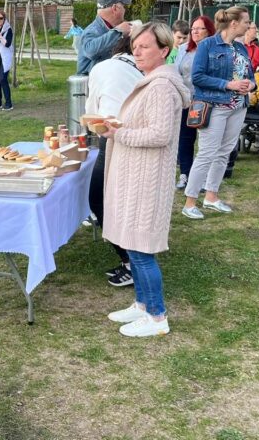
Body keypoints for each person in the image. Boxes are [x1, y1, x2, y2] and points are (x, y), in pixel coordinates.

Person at [102, 22, 190, 337]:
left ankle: (157, 316)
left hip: (146, 180)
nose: (137, 51)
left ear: (164, 50)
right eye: (135, 46)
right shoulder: (151, 81)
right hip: (135, 176)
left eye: (145, 47)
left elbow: (160, 134)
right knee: (132, 243)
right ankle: (141, 304)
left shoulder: (163, 86)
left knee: (140, 250)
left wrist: (118, 132)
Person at [182, 6, 255, 220]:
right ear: (234, 23)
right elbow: (197, 77)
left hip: (238, 106)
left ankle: (212, 196)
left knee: (225, 152)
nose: (248, 25)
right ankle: (190, 202)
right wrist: (229, 85)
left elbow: (251, 76)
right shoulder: (207, 45)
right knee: (207, 153)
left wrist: (250, 85)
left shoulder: (241, 48)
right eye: (246, 22)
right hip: (215, 106)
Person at [86, 35, 144, 287]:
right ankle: (134, 257)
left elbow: (92, 110)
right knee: (129, 202)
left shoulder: (102, 68)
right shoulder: (146, 71)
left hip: (113, 136)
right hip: (140, 140)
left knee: (99, 197)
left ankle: (131, 261)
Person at [173, 15, 215, 189]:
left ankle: (205, 177)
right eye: (193, 28)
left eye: (200, 28)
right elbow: (177, 72)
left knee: (207, 140)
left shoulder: (214, 50)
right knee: (185, 138)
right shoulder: (183, 49)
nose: (195, 32)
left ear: (209, 31)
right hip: (187, 100)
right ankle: (185, 173)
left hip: (207, 101)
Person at [76, 0, 134, 75]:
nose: (125, 10)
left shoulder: (110, 29)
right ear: (115, 8)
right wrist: (118, 32)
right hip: (91, 85)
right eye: (123, 6)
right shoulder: (92, 30)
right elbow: (90, 51)